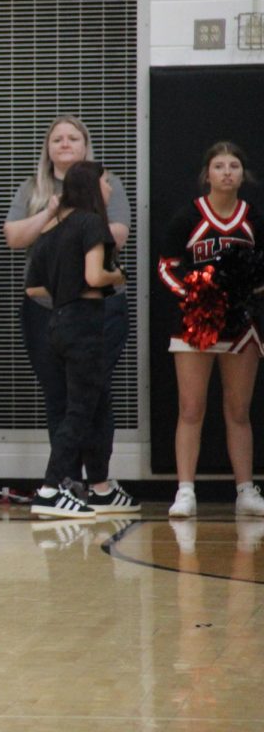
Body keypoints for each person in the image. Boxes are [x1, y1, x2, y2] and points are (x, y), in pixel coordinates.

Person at [4, 116, 131, 489]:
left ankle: (100, 482)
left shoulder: (108, 184)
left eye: (72, 138)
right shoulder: (33, 188)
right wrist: (54, 210)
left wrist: (74, 214)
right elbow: (14, 236)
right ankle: (64, 481)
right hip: (48, 307)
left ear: (85, 145)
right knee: (58, 394)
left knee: (95, 393)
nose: (64, 144)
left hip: (99, 308)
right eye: (56, 138)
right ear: (47, 148)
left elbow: (117, 236)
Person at [25, 161, 138, 517]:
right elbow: (94, 275)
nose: (109, 189)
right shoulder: (92, 223)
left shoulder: (51, 229)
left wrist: (64, 288)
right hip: (86, 325)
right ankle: (49, 489)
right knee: (80, 410)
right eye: (105, 183)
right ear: (92, 186)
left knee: (99, 405)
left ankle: (101, 488)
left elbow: (32, 288)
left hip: (57, 323)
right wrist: (117, 276)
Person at [157, 141, 264, 518]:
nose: (227, 173)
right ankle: (185, 490)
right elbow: (167, 266)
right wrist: (197, 293)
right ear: (207, 174)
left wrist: (247, 289)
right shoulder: (188, 216)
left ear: (242, 174)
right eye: (219, 166)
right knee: (190, 407)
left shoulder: (254, 218)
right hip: (195, 323)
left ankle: (245, 489)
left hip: (240, 325)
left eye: (234, 166)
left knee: (238, 409)